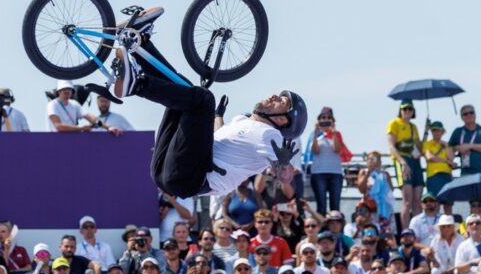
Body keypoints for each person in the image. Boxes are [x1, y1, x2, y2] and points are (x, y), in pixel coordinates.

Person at [111, 21, 307, 198]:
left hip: (191, 178)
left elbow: (285, 176)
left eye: (282, 101)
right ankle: (140, 44)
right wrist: (218, 117)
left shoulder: (271, 135)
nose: (274, 96)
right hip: (169, 171)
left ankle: (136, 85)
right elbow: (215, 137)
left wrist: (283, 163)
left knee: (203, 99)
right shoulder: (244, 121)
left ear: (283, 120)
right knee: (186, 92)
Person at [386, 99, 423, 224]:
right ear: (400, 110)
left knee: (417, 201)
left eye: (410, 109)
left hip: (415, 162)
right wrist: (402, 162)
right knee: (407, 201)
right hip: (402, 160)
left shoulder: (414, 127)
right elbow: (391, 146)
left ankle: (416, 231)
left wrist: (427, 132)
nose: (407, 111)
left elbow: (419, 149)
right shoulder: (394, 123)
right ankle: (406, 232)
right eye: (404, 109)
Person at [307, 107, 345, 215]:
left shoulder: (337, 135)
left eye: (329, 118)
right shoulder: (315, 135)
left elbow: (337, 149)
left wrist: (333, 133)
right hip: (319, 173)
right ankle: (321, 229)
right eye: (323, 118)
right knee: (321, 206)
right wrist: (315, 132)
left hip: (335, 173)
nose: (326, 120)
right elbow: (315, 150)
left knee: (335, 206)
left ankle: (336, 228)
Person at [449, 104, 481, 178]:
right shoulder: (458, 131)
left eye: (471, 112)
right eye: (465, 114)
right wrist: (457, 148)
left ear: (475, 115)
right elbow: (449, 148)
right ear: (462, 117)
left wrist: (469, 146)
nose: (469, 115)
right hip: (466, 173)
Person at [422, 120, 456, 215]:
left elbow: (452, 158)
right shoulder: (428, 144)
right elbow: (429, 157)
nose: (436, 132)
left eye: (438, 130)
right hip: (434, 176)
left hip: (447, 176)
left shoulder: (447, 144)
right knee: (434, 204)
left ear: (442, 132)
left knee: (448, 204)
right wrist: (446, 161)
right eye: (433, 130)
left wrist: (446, 146)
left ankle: (449, 226)